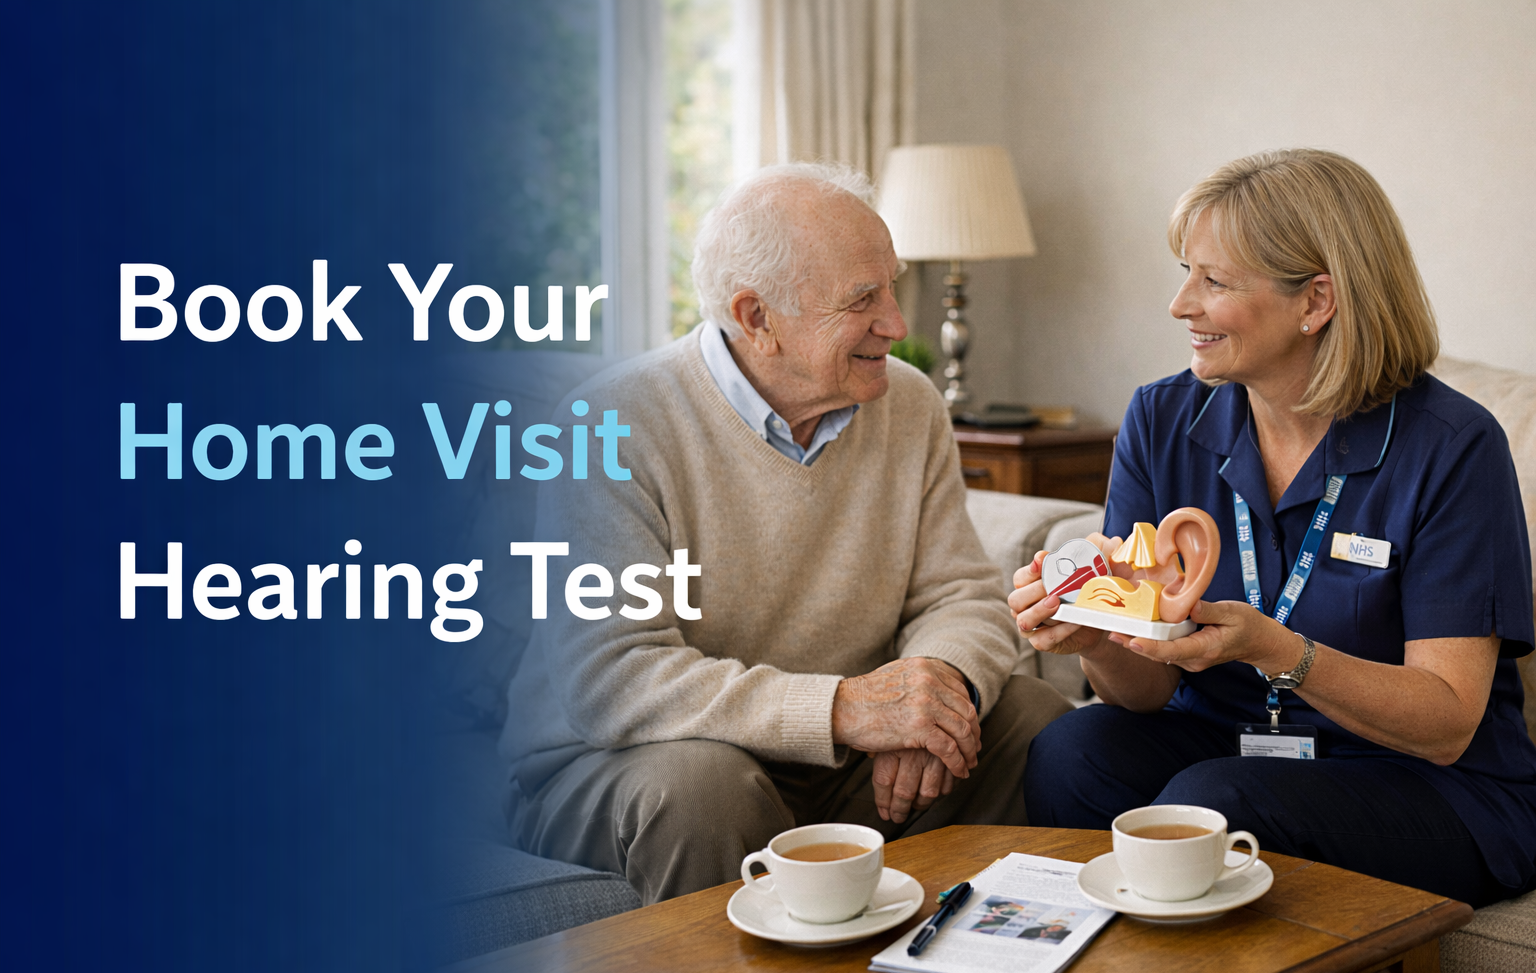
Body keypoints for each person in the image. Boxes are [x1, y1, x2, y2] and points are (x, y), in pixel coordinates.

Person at [501, 163, 1072, 904]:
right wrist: (847, 710)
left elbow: (961, 594)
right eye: (863, 299)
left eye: (892, 286)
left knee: (1034, 719)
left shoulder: (911, 404)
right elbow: (614, 678)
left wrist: (934, 696)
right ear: (756, 317)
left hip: (840, 767)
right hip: (622, 763)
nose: (898, 324)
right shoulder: (610, 424)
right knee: (706, 787)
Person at [1014, 149, 1536, 908]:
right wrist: (1097, 634)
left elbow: (1448, 720)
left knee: (1217, 800)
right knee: (1071, 753)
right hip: (1224, 737)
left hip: (1422, 780)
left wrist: (1273, 647)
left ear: (1316, 300)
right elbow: (1145, 691)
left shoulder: (1452, 446)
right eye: (1185, 272)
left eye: (1213, 280)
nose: (1179, 304)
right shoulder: (1162, 419)